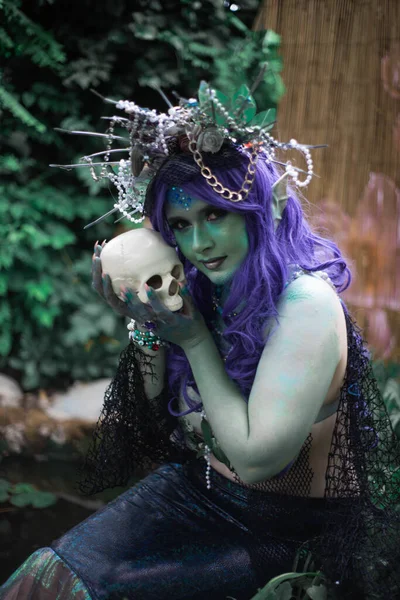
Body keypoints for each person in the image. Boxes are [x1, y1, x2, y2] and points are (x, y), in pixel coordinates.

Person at [1, 81, 400, 600]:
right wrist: (146, 319)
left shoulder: (306, 307)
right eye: (181, 225)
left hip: (279, 529)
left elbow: (256, 462)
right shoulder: (205, 287)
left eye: (215, 215)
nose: (199, 243)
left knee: (93, 591)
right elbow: (147, 414)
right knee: (49, 574)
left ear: (256, 209)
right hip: (195, 493)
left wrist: (193, 341)